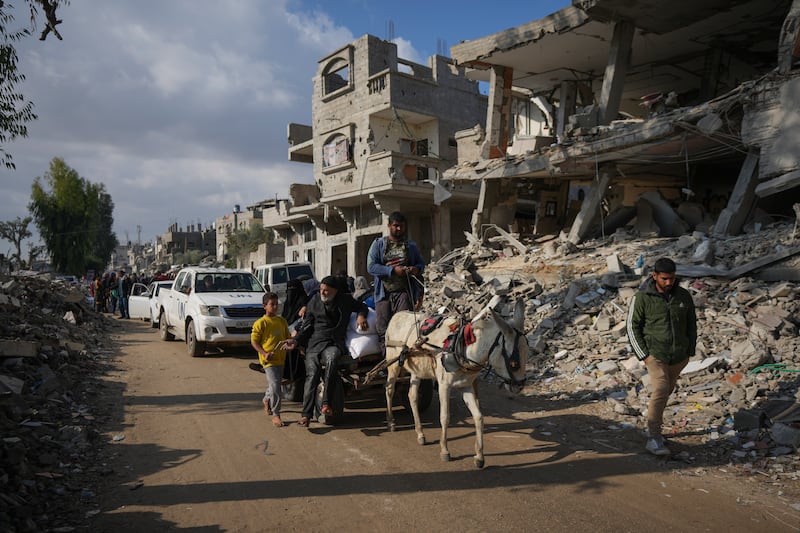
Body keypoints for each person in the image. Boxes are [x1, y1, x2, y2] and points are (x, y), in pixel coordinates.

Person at [627, 257, 697, 456]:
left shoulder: (683, 296)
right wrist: (644, 355)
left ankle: (653, 425)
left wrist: (689, 351)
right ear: (655, 276)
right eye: (665, 278)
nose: (669, 283)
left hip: (679, 356)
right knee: (661, 389)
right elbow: (632, 327)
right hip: (655, 355)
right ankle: (654, 437)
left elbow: (691, 324)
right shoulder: (641, 298)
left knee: (666, 392)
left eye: (672, 279)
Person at [294, 276, 368, 427]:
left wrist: (361, 316)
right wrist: (295, 341)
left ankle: (326, 404)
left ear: (335, 291)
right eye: (321, 289)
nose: (323, 293)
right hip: (315, 343)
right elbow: (306, 326)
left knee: (332, 359)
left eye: (326, 290)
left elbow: (362, 307)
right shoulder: (314, 301)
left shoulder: (345, 300)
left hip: (334, 343)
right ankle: (306, 415)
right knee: (312, 374)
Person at [367, 211, 425, 357]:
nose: (398, 229)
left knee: (403, 326)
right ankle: (386, 361)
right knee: (383, 329)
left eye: (401, 226)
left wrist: (415, 269)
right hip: (383, 293)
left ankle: (403, 361)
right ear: (389, 226)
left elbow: (421, 264)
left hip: (404, 293)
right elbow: (371, 267)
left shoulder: (410, 246)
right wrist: (392, 271)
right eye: (395, 226)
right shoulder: (379, 244)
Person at [251, 292, 297, 428]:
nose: (275, 307)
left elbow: (287, 337)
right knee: (277, 386)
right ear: (264, 306)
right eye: (272, 304)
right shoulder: (261, 323)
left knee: (275, 384)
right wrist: (264, 353)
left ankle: (266, 399)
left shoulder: (282, 321)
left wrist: (292, 341)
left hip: (280, 359)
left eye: (277, 304)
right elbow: (254, 342)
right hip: (268, 361)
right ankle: (276, 414)